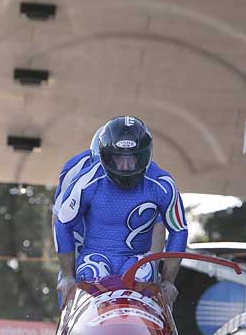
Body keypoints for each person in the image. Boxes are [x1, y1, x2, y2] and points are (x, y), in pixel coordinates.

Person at [55, 116, 187, 307]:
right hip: (95, 255)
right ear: (106, 156)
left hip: (137, 259)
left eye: (132, 159)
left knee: (143, 276)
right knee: (92, 275)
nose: (125, 167)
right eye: (118, 159)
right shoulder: (86, 180)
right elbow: (62, 222)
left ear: (143, 156)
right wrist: (67, 275)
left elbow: (178, 229)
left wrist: (167, 281)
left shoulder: (162, 184)